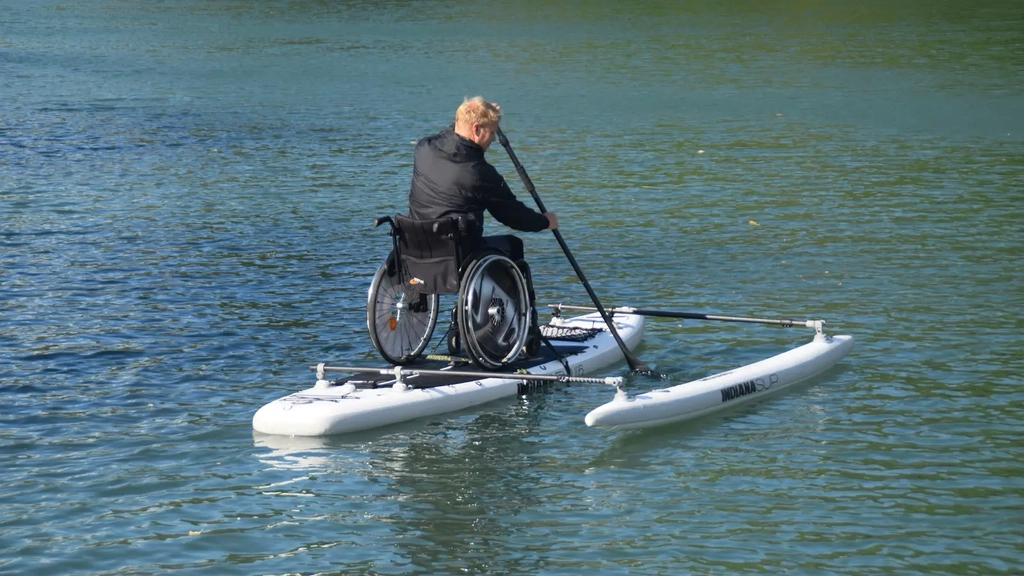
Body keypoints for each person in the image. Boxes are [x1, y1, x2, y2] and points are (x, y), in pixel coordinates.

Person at [408, 96, 557, 354]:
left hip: (416, 249)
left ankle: (462, 321)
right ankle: (521, 329)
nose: (493, 141)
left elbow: (453, 131)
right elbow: (512, 215)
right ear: (476, 130)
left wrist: (479, 113)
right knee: (512, 245)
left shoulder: (423, 149)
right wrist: (544, 222)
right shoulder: (480, 173)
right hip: (459, 256)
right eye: (491, 133)